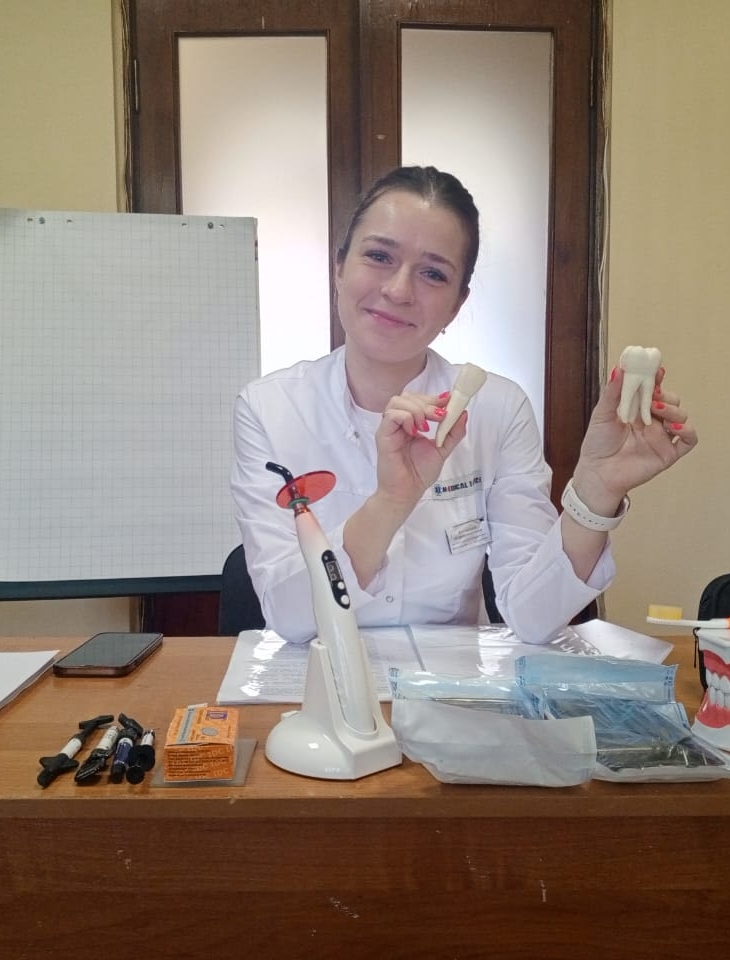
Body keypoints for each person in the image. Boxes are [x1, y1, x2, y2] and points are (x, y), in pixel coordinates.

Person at [230, 165, 697, 644]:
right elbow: (291, 618)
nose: (398, 290)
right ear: (339, 267)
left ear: (456, 304)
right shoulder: (270, 408)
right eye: (379, 256)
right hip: (317, 677)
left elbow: (533, 618)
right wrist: (391, 502)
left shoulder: (496, 408)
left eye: (433, 274)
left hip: (452, 684)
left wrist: (597, 490)